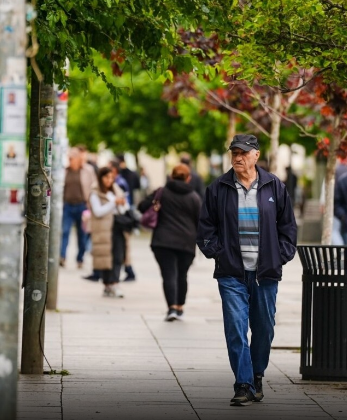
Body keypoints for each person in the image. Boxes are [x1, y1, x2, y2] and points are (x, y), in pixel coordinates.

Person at [197, 134, 297, 406]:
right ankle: (243, 383)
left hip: (265, 272)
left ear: (256, 155)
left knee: (264, 328)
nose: (238, 157)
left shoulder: (274, 186)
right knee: (236, 328)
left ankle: (256, 374)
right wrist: (218, 252)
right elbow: (205, 228)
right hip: (232, 273)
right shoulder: (218, 188)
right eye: (234, 152)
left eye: (244, 152)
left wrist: (281, 255)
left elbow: (288, 226)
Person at [138, 164, 201, 322]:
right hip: (186, 243)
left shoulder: (161, 192)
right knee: (182, 274)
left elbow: (141, 207)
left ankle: (172, 307)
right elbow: (201, 221)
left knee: (169, 274)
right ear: (188, 178)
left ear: (171, 176)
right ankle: (180, 307)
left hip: (163, 242)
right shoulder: (194, 197)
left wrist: (155, 204)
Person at [89, 167, 129, 298]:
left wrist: (121, 203)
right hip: (103, 230)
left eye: (112, 178)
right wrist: (113, 203)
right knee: (105, 258)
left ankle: (115, 283)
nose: (109, 181)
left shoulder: (117, 190)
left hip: (118, 228)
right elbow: (98, 211)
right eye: (106, 178)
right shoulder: (95, 192)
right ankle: (108, 284)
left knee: (118, 256)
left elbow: (124, 210)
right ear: (100, 178)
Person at [60, 147, 96, 269]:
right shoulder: (65, 171)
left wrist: (91, 205)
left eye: (72, 158)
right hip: (68, 206)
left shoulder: (87, 170)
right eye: (69, 158)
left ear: (78, 158)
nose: (70, 160)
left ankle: (80, 258)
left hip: (82, 206)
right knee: (65, 231)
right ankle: (62, 256)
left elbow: (93, 187)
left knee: (82, 234)